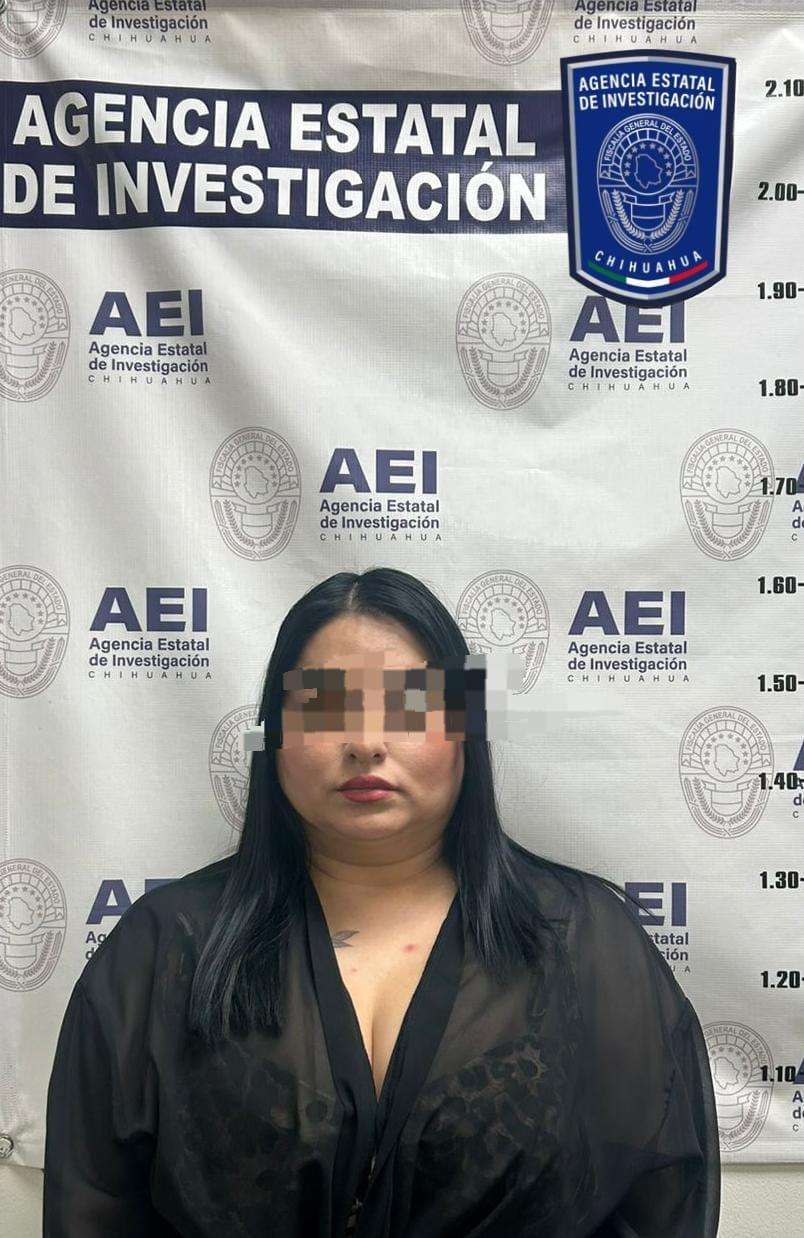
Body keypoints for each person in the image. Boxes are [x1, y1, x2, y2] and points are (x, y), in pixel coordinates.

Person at [42, 567, 721, 1238]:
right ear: (273, 736)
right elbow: (92, 1208)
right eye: (323, 707)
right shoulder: (163, 950)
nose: (365, 744)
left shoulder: (583, 942)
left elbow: (661, 1204)